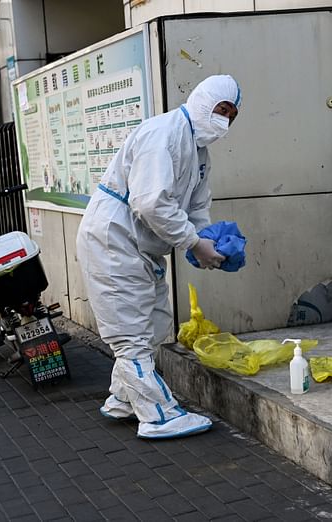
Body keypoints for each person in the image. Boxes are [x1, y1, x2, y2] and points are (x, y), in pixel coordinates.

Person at [76, 75, 241, 439]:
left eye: (231, 114)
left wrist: (207, 241)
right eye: (221, 110)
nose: (225, 121)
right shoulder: (161, 133)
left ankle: (123, 398)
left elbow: (197, 206)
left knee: (154, 324)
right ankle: (159, 415)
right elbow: (150, 202)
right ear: (201, 101)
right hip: (114, 240)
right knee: (130, 333)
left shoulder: (199, 153)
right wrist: (192, 242)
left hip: (142, 246)